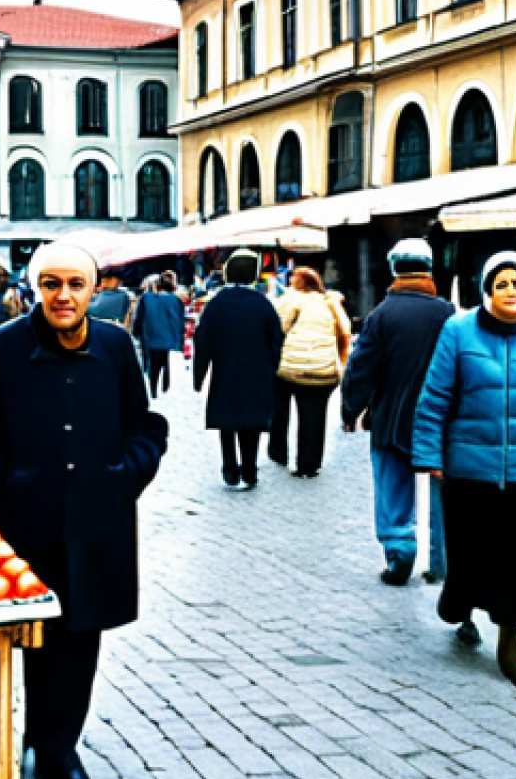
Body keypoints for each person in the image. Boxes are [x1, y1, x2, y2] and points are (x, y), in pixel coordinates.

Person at [0, 243, 167, 779]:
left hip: (95, 523)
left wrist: (123, 474)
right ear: (33, 288)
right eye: (51, 283)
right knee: (13, 641)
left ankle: (57, 749)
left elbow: (145, 428)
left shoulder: (116, 346)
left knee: (77, 641)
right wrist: (14, 483)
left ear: (95, 291)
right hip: (23, 528)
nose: (62, 296)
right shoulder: (1, 348)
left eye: (75, 284)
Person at [412, 251, 516, 693]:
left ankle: (510, 641)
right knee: (468, 555)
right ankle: (459, 605)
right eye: (501, 283)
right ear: (486, 292)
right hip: (467, 468)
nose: (511, 291)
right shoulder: (458, 330)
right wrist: (429, 454)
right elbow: (434, 397)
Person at [340, 240, 454, 585]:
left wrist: (350, 409)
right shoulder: (448, 313)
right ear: (430, 269)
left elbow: (361, 367)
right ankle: (440, 561)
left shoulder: (382, 314)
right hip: (439, 421)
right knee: (441, 493)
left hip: (391, 417)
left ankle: (400, 551)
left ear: (394, 270)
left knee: (392, 487)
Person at [193, 249, 283, 490]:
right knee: (251, 424)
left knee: (227, 424)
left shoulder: (216, 304)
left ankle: (230, 468)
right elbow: (277, 338)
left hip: (225, 372)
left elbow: (203, 340)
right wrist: (272, 368)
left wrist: (199, 375)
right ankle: (250, 469)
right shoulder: (262, 304)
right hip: (256, 373)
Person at [269, 267, 351, 478]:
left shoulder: (291, 299)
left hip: (291, 368)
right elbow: (345, 330)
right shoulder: (330, 302)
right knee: (314, 417)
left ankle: (278, 451)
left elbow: (279, 327)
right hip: (323, 370)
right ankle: (309, 463)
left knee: (279, 408)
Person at [133, 270, 185, 397]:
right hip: (170, 340)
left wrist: (136, 334)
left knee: (153, 366)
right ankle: (165, 389)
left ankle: (153, 390)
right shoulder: (176, 300)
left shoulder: (145, 299)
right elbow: (179, 320)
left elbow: (139, 318)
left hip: (150, 338)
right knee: (166, 365)